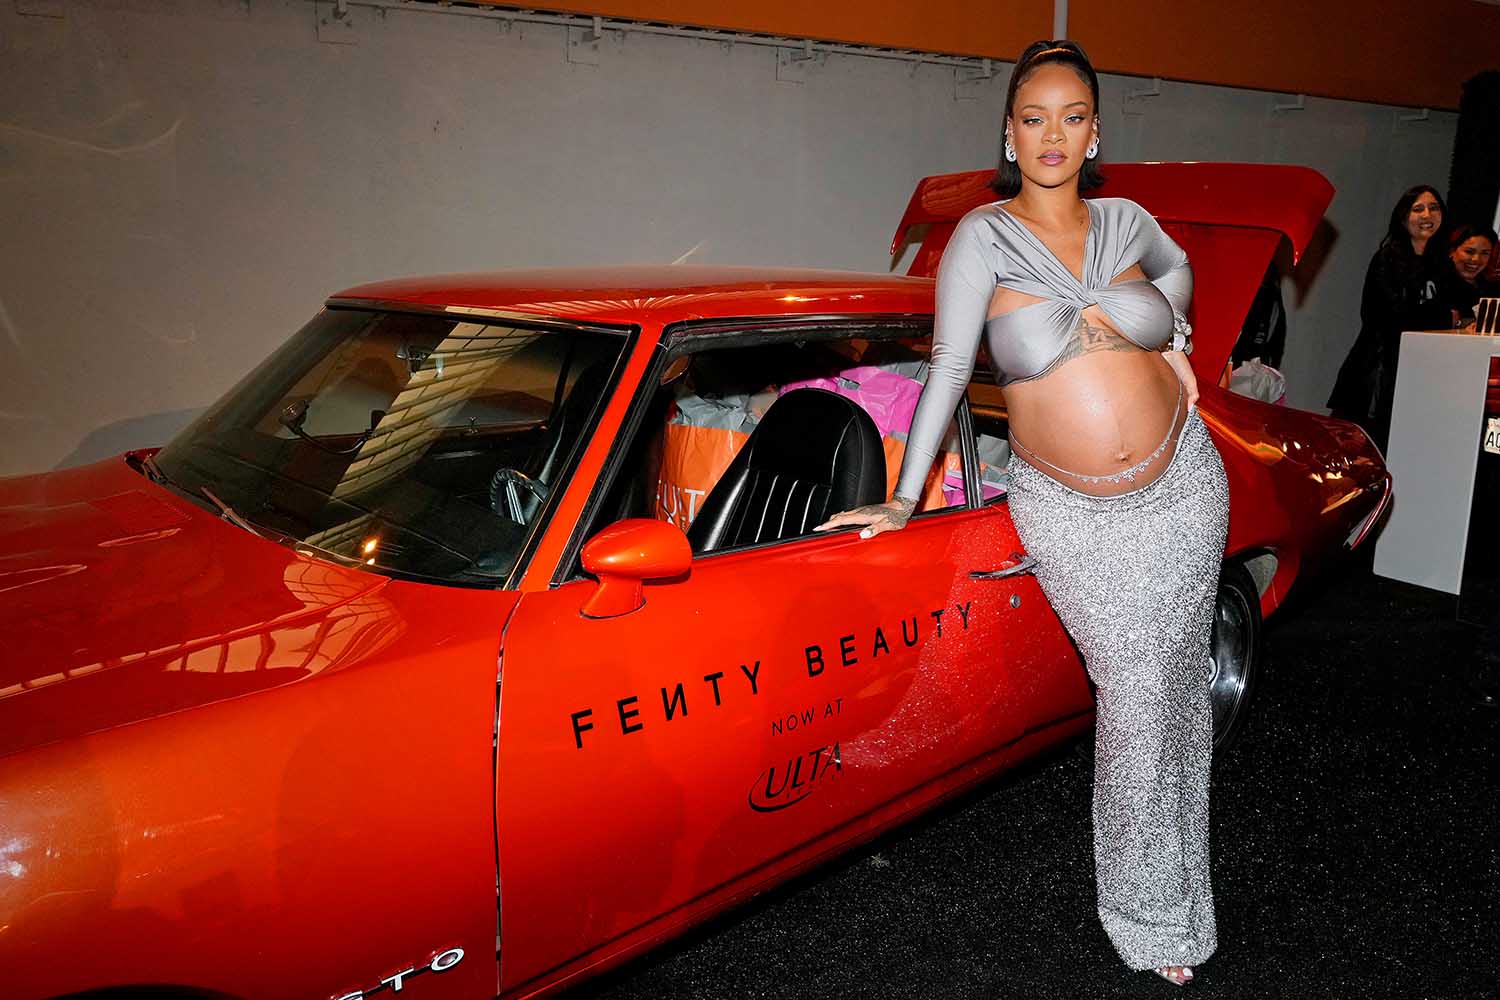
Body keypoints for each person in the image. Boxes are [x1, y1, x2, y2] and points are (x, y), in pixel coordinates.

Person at [817, 40, 1224, 987]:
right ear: (1009, 134)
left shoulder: (1128, 221)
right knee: (1137, 695)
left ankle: (1183, 891)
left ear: (1095, 133)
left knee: (1177, 691)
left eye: (1071, 117)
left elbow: (1177, 272)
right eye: (1034, 118)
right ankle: (1146, 914)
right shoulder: (983, 238)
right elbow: (950, 368)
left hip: (1186, 485)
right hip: (1074, 511)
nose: (1052, 135)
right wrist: (903, 496)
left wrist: (1176, 337)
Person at [1327, 186, 1452, 451]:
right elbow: (1390, 316)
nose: (1427, 215)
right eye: (1418, 209)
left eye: (1434, 208)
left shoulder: (1441, 263)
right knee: (1361, 451)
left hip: (1420, 372)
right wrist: (1439, 316)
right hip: (1378, 372)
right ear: (1403, 217)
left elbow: (1452, 313)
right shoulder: (1388, 258)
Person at [1442, 223, 1498, 325]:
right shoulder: (1438, 284)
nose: (1476, 259)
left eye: (1485, 253)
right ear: (1452, 251)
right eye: (1469, 251)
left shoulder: (1492, 286)